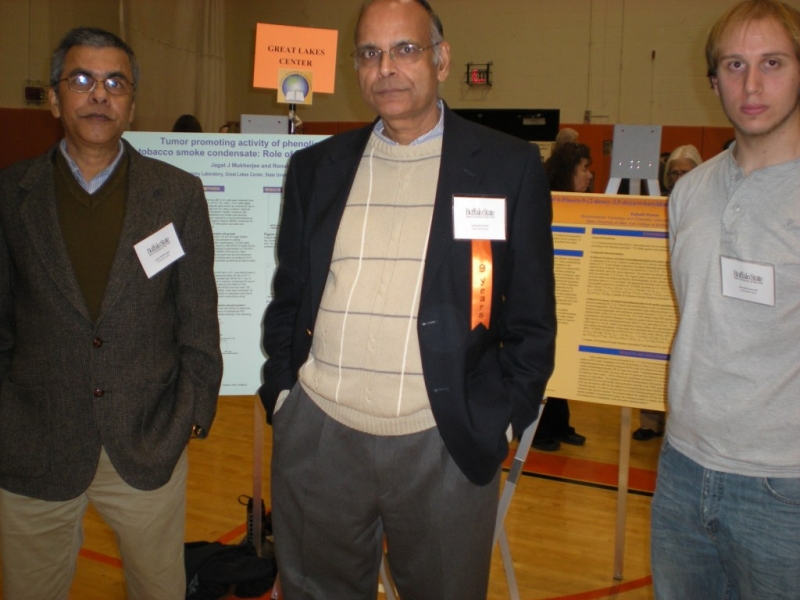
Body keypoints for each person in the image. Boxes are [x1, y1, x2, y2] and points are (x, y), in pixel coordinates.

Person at [258, 0, 556, 597]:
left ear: (442, 59)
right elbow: (290, 292)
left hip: (444, 437)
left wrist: (500, 420)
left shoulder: (506, 166)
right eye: (369, 53)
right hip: (320, 434)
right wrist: (284, 395)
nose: (385, 68)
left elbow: (531, 317)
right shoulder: (316, 167)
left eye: (405, 50)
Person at [0, 27, 222, 599]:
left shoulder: (177, 194)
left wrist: (192, 410)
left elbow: (197, 314)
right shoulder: (10, 195)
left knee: (160, 589)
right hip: (33, 444)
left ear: (131, 103)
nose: (98, 94)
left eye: (114, 82)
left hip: (148, 440)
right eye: (81, 79)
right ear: (53, 98)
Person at [651, 1, 800, 597]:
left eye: (773, 62)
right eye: (734, 65)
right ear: (713, 81)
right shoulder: (688, 192)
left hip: (781, 487)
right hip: (682, 470)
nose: (753, 84)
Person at [634, 143, 703, 442]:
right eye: (674, 173)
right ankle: (650, 421)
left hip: (692, 294)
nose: (679, 179)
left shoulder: (710, 203)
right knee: (649, 356)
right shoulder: (657, 204)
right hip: (655, 291)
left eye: (685, 172)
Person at [531, 142, 592, 452]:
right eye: (584, 169)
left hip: (571, 296)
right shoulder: (546, 203)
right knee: (546, 364)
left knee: (564, 360)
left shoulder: (582, 206)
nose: (590, 175)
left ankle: (559, 423)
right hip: (549, 294)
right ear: (570, 171)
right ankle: (537, 430)